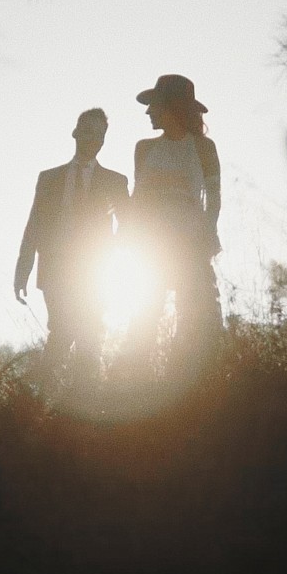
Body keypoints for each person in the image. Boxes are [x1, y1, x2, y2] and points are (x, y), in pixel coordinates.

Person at [14, 108, 129, 386]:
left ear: (103, 140)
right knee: (65, 329)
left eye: (97, 133)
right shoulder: (49, 178)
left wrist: (111, 254)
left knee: (86, 333)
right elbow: (34, 226)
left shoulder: (115, 181)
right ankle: (44, 393)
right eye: (85, 130)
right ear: (75, 133)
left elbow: (129, 225)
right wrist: (23, 269)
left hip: (94, 271)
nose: (90, 137)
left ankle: (58, 394)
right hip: (55, 267)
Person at [122, 74, 223, 370]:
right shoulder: (144, 148)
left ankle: (186, 378)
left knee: (194, 315)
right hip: (151, 246)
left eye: (154, 104)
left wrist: (206, 234)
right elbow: (138, 198)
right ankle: (134, 380)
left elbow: (214, 199)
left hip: (190, 242)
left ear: (172, 107)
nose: (148, 112)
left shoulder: (204, 148)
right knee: (145, 313)